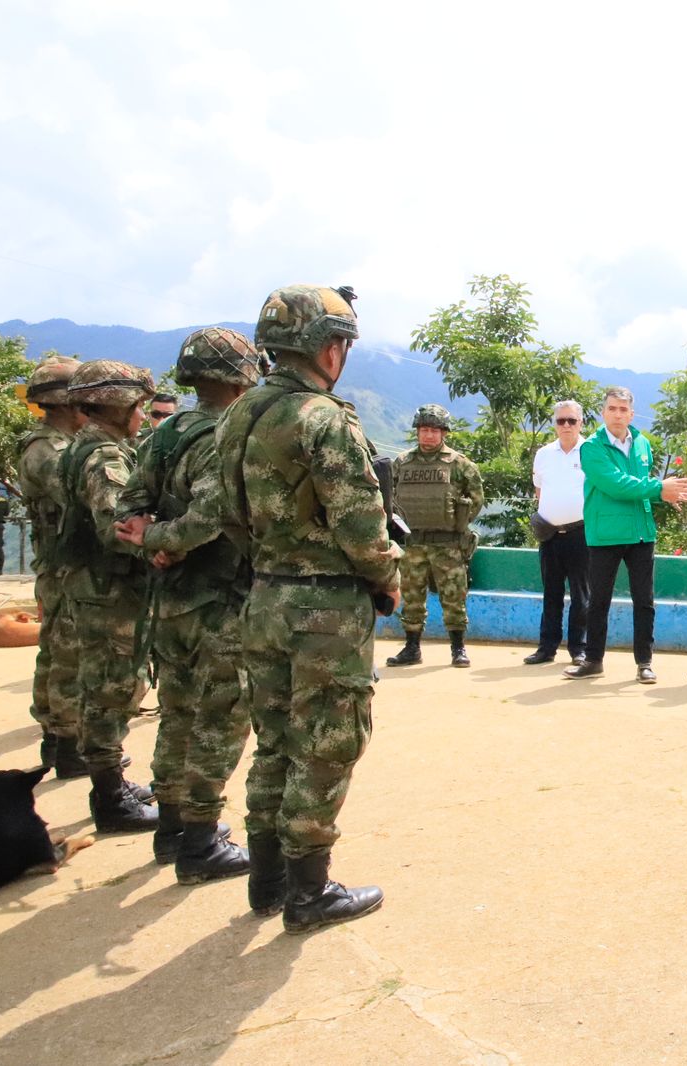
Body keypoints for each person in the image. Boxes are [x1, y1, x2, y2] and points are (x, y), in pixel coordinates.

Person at [218, 283, 399, 933]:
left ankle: (266, 882)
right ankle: (310, 893)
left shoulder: (237, 415)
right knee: (326, 742)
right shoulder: (324, 418)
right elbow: (360, 521)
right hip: (325, 608)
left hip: (264, 597)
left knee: (274, 742)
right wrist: (386, 579)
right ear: (326, 348)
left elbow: (226, 511)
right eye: (341, 343)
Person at [113, 327, 262, 882]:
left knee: (176, 712)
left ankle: (171, 828)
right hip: (221, 601)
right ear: (242, 374)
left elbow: (129, 506)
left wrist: (151, 541)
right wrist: (165, 541)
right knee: (219, 719)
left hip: (170, 602)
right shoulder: (231, 433)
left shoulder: (166, 430)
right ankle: (201, 840)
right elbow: (210, 517)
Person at [56, 360, 160, 834]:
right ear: (118, 406)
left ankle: (112, 780)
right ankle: (110, 797)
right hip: (108, 589)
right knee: (112, 688)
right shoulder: (105, 457)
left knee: (109, 684)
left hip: (96, 586)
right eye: (138, 405)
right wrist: (165, 540)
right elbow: (119, 527)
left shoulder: (91, 448)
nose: (143, 414)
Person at [564, 386, 687, 684]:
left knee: (644, 601)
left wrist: (664, 495)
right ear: (603, 413)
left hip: (641, 533)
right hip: (606, 534)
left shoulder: (642, 444)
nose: (618, 414)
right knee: (599, 601)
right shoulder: (591, 448)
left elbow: (640, 483)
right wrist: (660, 488)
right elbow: (616, 485)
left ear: (631, 413)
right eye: (612, 409)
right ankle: (593, 660)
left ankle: (644, 662)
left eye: (623, 410)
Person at [15, 356, 88, 774]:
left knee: (57, 649)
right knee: (68, 654)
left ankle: (56, 737)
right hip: (64, 567)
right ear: (64, 404)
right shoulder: (49, 451)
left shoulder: (55, 445)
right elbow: (79, 500)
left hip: (58, 563)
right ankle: (67, 743)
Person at [384, 404, 484, 669]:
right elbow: (388, 498)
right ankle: (412, 647)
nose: (428, 435)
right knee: (412, 597)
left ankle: (458, 648)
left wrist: (456, 521)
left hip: (447, 544)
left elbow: (476, 498)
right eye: (424, 430)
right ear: (418, 431)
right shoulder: (402, 462)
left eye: (434, 431)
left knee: (454, 597)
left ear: (444, 433)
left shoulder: (460, 464)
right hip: (413, 543)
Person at [525, 400, 590, 665]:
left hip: (581, 533)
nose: (566, 425)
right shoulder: (544, 454)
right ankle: (546, 648)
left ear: (581, 423)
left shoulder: (591, 451)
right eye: (561, 420)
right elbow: (539, 491)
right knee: (551, 594)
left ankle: (580, 649)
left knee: (581, 595)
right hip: (550, 534)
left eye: (571, 420)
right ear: (555, 424)